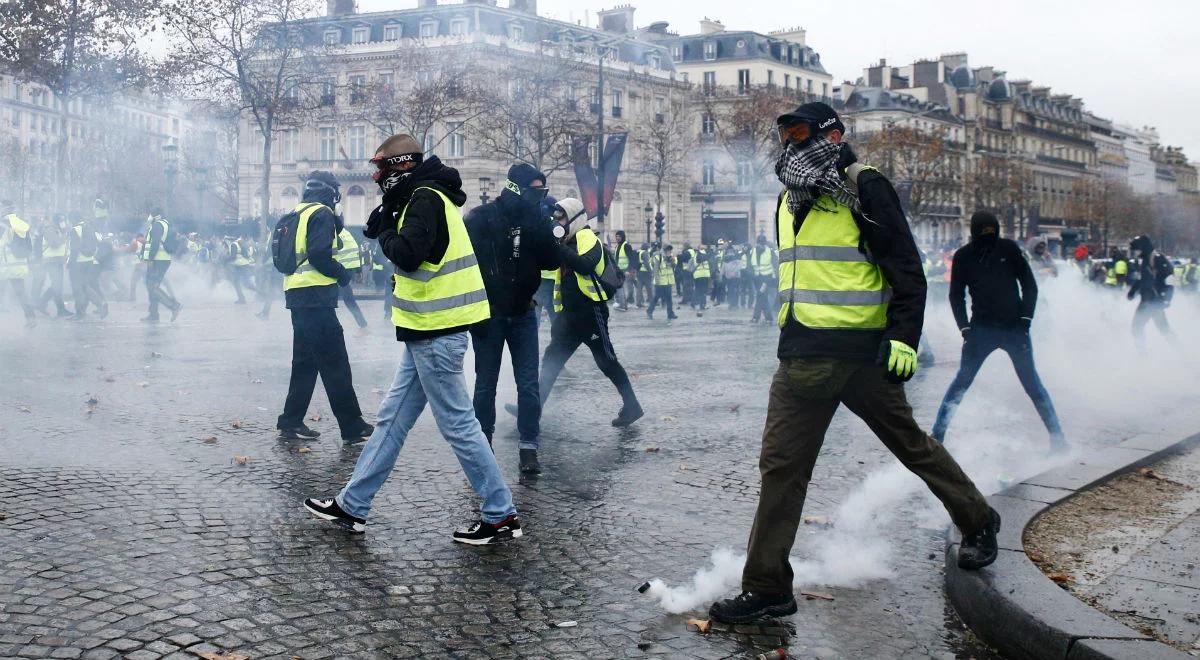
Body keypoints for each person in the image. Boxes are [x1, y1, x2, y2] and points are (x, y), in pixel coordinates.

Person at [709, 103, 998, 625]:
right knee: (780, 471)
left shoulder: (865, 186)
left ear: (834, 135)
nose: (793, 146)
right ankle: (767, 586)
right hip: (799, 356)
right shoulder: (785, 198)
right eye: (786, 136)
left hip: (862, 355)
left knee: (912, 446)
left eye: (802, 134)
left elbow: (907, 267)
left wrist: (904, 338)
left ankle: (979, 520)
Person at [304, 135, 521, 544]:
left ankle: (500, 514)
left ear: (400, 166)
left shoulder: (424, 198)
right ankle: (353, 505)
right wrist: (389, 213)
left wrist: (387, 227)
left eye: (383, 170)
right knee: (392, 419)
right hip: (427, 331)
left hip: (437, 332)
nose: (378, 177)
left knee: (458, 424)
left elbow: (408, 254)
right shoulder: (425, 195)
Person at [930, 212, 1066, 452]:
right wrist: (965, 327)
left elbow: (1029, 285)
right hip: (981, 330)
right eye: (985, 233)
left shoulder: (1009, 249)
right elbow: (955, 295)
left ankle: (1058, 440)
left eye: (991, 233)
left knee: (1032, 385)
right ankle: (937, 437)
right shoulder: (964, 256)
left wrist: (1025, 320)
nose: (988, 238)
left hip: (1013, 329)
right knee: (961, 383)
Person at [464, 162, 561, 473]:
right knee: (485, 385)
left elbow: (549, 260)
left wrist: (544, 229)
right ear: (517, 188)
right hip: (488, 315)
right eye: (537, 191)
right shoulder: (481, 218)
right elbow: (467, 264)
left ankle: (528, 447)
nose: (541, 196)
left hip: (523, 313)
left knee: (528, 385)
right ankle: (484, 445)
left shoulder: (535, 219)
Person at [516, 198, 643, 430]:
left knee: (607, 362)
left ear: (574, 218)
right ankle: (531, 409)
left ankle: (632, 405)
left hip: (590, 313)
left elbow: (585, 265)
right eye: (555, 218)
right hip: (569, 316)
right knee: (551, 362)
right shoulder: (567, 240)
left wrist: (557, 245)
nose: (558, 222)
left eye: (561, 217)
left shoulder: (588, 238)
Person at [275, 170, 373, 443]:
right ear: (330, 192)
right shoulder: (321, 214)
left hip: (296, 295)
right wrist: (341, 273)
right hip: (316, 297)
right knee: (335, 362)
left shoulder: (297, 212)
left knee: (305, 363)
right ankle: (352, 425)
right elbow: (319, 254)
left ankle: (291, 420)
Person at [1126, 235, 1180, 352]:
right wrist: (1133, 291)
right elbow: (1142, 279)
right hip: (1147, 300)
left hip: (1154, 300)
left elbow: (1171, 278)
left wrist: (1167, 298)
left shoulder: (1158, 259)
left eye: (1136, 249)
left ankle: (1143, 355)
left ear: (1143, 247)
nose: (1135, 252)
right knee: (1163, 329)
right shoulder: (1146, 260)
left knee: (1137, 327)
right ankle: (1180, 351)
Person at [139, 210, 183, 323]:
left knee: (152, 286)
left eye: (151, 214)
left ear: (156, 216)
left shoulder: (157, 225)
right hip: (163, 259)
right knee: (151, 286)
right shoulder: (166, 224)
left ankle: (173, 306)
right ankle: (153, 314)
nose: (149, 217)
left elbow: (155, 243)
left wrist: (150, 259)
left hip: (158, 259)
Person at [0, 203, 36, 327]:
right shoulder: (19, 223)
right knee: (21, 293)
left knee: (20, 293)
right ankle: (31, 318)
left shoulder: (3, 225)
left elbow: (2, 245)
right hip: (17, 265)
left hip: (7, 266)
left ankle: (31, 318)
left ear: (6, 209)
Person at [66, 212, 107, 320]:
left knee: (77, 288)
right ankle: (100, 304)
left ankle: (80, 313)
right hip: (89, 261)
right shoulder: (89, 227)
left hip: (78, 262)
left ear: (72, 219)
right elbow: (99, 241)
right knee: (85, 286)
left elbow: (74, 249)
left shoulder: (75, 229)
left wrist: (70, 263)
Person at [333, 226, 368, 332]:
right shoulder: (345, 232)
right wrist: (359, 271)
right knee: (348, 299)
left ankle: (331, 326)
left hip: (340, 268)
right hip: (348, 268)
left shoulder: (331, 230)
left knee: (330, 298)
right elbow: (355, 251)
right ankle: (362, 324)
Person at [35, 215, 69, 317]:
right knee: (57, 285)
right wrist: (64, 235)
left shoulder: (57, 230)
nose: (64, 223)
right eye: (62, 221)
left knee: (57, 286)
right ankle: (57, 308)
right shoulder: (50, 230)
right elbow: (55, 244)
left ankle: (44, 304)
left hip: (57, 261)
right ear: (57, 221)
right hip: (51, 262)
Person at [746, 235, 777, 323]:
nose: (760, 245)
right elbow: (750, 265)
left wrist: (774, 279)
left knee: (760, 295)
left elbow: (775, 265)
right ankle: (767, 318)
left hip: (766, 278)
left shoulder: (769, 252)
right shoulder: (753, 251)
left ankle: (756, 317)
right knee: (762, 297)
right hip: (757, 278)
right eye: (759, 243)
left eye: (761, 243)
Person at [646, 244, 677, 322]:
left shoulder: (671, 258)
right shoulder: (658, 257)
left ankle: (670, 313)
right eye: (667, 250)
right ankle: (649, 310)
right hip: (660, 282)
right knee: (656, 297)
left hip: (668, 281)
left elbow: (674, 266)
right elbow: (655, 270)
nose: (669, 251)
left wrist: (671, 260)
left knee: (669, 298)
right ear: (664, 250)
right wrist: (657, 281)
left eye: (670, 250)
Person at [613, 229, 639, 311]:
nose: (617, 238)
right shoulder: (617, 246)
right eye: (616, 236)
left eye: (619, 236)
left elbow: (631, 258)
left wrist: (629, 270)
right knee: (621, 288)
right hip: (619, 270)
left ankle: (625, 304)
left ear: (623, 237)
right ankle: (624, 304)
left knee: (626, 288)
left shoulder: (626, 246)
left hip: (625, 270)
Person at [691, 243, 712, 317]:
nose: (704, 247)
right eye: (702, 246)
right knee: (699, 291)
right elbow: (701, 259)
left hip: (704, 275)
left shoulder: (704, 254)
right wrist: (708, 254)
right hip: (699, 275)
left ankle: (701, 304)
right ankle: (698, 304)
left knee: (702, 291)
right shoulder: (698, 254)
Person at [636, 242, 653, 308]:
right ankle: (652, 301)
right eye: (649, 247)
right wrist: (650, 271)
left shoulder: (639, 252)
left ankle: (638, 302)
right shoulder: (645, 253)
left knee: (639, 289)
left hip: (639, 272)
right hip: (645, 273)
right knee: (649, 288)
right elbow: (647, 263)